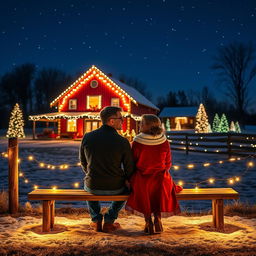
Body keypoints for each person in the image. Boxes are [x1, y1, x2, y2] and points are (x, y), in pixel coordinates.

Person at [125, 114, 182, 235]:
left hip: (142, 177)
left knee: (143, 192)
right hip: (161, 178)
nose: (139, 125)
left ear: (148, 126)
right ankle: (158, 219)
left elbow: (133, 161)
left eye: (142, 123)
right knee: (159, 190)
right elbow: (168, 163)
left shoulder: (138, 141)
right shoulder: (164, 140)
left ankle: (148, 221)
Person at [79, 106, 134, 232]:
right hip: (116, 187)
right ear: (111, 121)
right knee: (128, 191)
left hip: (93, 184)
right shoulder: (122, 141)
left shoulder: (87, 137)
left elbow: (83, 162)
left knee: (88, 186)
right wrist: (127, 180)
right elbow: (129, 168)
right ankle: (109, 221)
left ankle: (96, 220)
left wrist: (91, 174)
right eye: (121, 118)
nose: (123, 121)